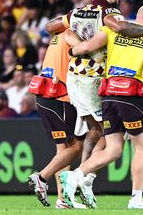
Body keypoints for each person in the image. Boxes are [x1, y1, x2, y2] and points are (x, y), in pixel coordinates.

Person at [45, 0, 143, 194]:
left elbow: (50, 26)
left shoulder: (76, 13)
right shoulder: (110, 14)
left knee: (97, 131)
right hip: (97, 80)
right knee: (117, 134)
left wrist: (76, 46)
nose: (117, 1)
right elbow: (119, 27)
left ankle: (80, 179)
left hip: (74, 78)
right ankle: (82, 180)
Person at [60, 4, 143, 209]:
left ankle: (74, 176)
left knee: (113, 149)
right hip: (130, 95)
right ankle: (136, 198)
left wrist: (72, 50)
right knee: (142, 147)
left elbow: (86, 47)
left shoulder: (112, 30)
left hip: (108, 96)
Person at [27, 30, 86, 209]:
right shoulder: (70, 34)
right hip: (60, 96)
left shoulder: (57, 37)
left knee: (63, 149)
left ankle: (63, 199)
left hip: (46, 94)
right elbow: (83, 50)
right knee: (76, 147)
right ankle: (42, 177)